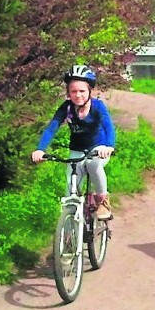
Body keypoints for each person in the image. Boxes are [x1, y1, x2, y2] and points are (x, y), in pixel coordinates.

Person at [31, 64, 116, 220]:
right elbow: (51, 128)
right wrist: (40, 149)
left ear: (90, 91)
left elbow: (109, 126)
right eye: (73, 91)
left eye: (82, 91)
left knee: (93, 165)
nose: (78, 95)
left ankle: (103, 201)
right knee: (71, 188)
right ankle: (71, 222)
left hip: (98, 148)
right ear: (68, 93)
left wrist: (109, 146)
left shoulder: (97, 106)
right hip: (77, 149)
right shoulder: (67, 108)